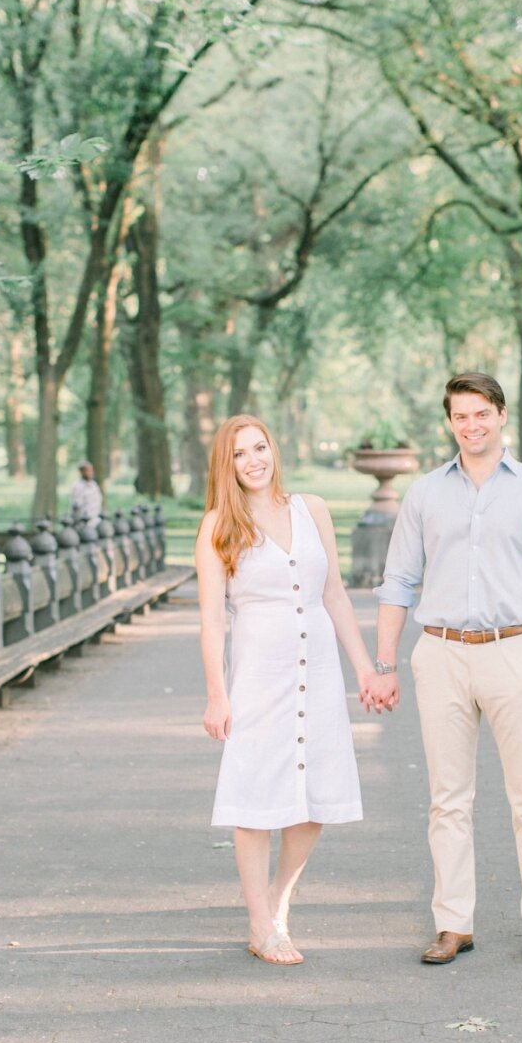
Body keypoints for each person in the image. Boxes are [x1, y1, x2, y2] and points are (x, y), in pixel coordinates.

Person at [369, 372, 522, 967]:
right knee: (447, 799)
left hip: (514, 651)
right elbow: (398, 582)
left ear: (501, 415)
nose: (471, 425)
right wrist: (385, 663)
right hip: (441, 653)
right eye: (460, 415)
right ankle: (452, 923)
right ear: (450, 422)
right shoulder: (425, 494)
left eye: (481, 413)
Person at [197, 414, 383, 966]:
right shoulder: (217, 526)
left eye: (260, 448)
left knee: (315, 798)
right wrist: (216, 694)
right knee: (255, 800)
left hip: (318, 669)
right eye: (239, 454)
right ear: (225, 465)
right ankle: (261, 924)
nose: (253, 460)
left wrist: (366, 671)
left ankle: (278, 898)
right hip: (258, 675)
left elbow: (336, 597)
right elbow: (212, 621)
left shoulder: (312, 509)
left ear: (274, 450)